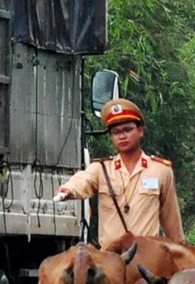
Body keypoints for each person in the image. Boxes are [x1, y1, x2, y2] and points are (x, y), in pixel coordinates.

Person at [54, 98, 185, 247]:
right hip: (111, 259)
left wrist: (180, 249)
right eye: (116, 132)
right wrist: (68, 189)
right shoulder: (102, 169)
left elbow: (171, 217)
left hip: (148, 258)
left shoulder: (160, 170)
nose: (121, 136)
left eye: (127, 130)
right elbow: (83, 180)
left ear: (140, 131)